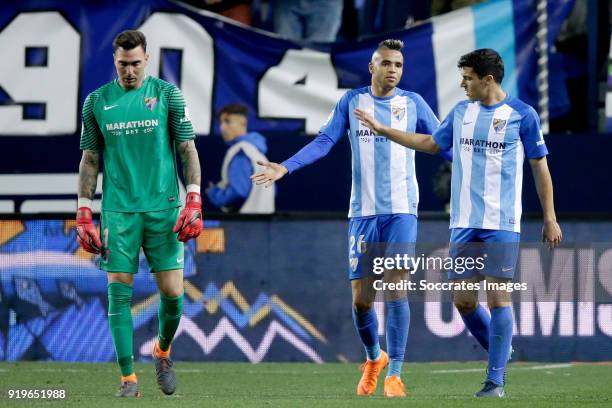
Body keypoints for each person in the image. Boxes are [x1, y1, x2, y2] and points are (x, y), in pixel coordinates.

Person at [354, 48, 563, 398]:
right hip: (463, 223)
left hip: (501, 222)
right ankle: (502, 350)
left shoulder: (521, 116)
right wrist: (382, 129)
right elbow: (431, 143)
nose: (462, 84)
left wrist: (550, 217)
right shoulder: (461, 112)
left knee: (498, 298)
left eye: (467, 78)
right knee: (463, 301)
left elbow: (540, 167)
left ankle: (495, 380)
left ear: (488, 80)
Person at [252, 39, 441, 397]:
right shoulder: (352, 102)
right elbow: (324, 141)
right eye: (386, 63)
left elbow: (441, 140)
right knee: (361, 300)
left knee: (397, 287)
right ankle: (374, 358)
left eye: (398, 65)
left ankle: (395, 374)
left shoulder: (412, 103)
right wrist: (286, 167)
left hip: (402, 210)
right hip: (363, 213)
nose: (393, 70)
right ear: (372, 67)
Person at [76, 30, 203, 398]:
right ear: (114, 62)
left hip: (164, 209)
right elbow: (90, 159)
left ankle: (162, 350)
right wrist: (84, 212)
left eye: (135, 63)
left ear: (146, 59)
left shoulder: (167, 95)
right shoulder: (97, 102)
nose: (129, 71)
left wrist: (193, 199)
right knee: (118, 293)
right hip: (118, 212)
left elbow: (187, 149)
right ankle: (128, 378)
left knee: (173, 295)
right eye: (122, 64)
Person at [207, 103, 274, 214]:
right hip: (262, 221)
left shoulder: (241, 152)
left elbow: (238, 192)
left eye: (227, 121)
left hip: (245, 224)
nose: (222, 127)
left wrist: (214, 192)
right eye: (221, 123)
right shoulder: (256, 151)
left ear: (243, 123)